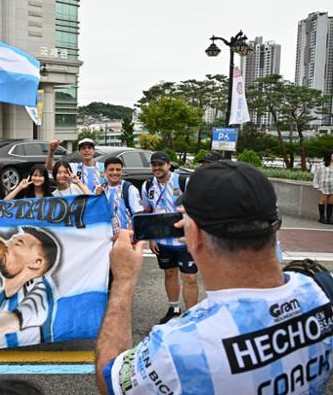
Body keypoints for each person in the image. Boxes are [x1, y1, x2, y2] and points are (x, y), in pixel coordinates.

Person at [95, 161, 333, 394]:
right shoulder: (320, 288)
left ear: (194, 235)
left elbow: (111, 380)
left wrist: (123, 280)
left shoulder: (176, 346)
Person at [141, 151, 196, 324]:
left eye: (160, 164)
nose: (157, 168)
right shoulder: (147, 185)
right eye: (154, 165)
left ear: (169, 164)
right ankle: (174, 309)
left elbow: (197, 207)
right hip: (162, 240)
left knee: (190, 278)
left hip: (184, 239)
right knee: (170, 273)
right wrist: (151, 237)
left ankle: (191, 315)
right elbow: (147, 211)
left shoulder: (183, 181)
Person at [95, 158, 143, 238]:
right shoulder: (99, 189)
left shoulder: (130, 189)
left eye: (118, 170)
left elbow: (138, 215)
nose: (115, 173)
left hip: (125, 239)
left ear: (122, 172)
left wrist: (126, 235)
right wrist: (96, 198)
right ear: (105, 172)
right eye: (111, 170)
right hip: (104, 239)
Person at [313, 150, 333, 224]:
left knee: (331, 202)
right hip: (323, 186)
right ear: (329, 155)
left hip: (332, 186)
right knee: (322, 201)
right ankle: (322, 218)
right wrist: (316, 185)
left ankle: (329, 218)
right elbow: (316, 175)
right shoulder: (321, 165)